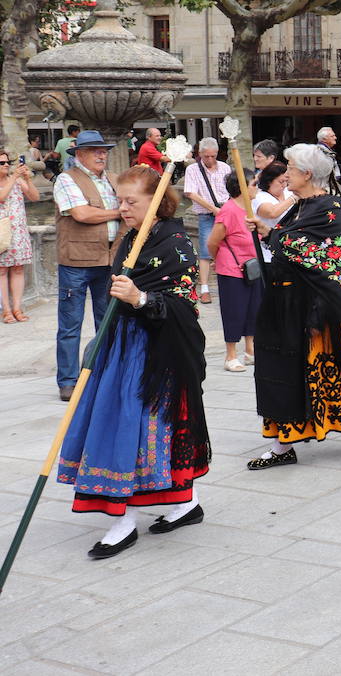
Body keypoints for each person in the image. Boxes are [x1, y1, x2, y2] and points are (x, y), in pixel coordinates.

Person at [57, 165, 210, 559]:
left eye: (131, 201)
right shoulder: (131, 237)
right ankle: (178, 505)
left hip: (156, 351)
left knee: (141, 428)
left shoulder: (176, 243)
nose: (122, 208)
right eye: (120, 200)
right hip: (121, 344)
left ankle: (133, 517)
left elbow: (184, 305)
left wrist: (141, 298)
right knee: (120, 424)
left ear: (156, 202)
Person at [249, 143, 341, 469]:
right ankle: (283, 444)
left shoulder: (330, 208)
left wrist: (273, 236)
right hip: (286, 303)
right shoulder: (299, 205)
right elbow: (288, 240)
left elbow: (314, 253)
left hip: (319, 306)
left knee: (339, 370)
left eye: (290, 169)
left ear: (307, 174)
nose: (285, 175)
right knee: (283, 371)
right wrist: (269, 233)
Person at [53, 131, 121, 401]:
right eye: (95, 150)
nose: (102, 155)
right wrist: (120, 212)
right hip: (76, 262)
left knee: (108, 322)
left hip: (109, 259)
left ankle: (100, 373)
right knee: (70, 325)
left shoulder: (114, 179)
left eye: (103, 150)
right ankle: (68, 381)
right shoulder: (66, 178)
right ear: (79, 155)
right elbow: (82, 214)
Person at [207, 173, 263, 372]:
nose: (257, 187)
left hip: (252, 266)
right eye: (253, 184)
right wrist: (218, 259)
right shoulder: (228, 210)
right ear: (242, 187)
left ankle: (250, 349)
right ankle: (230, 355)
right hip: (232, 268)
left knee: (253, 308)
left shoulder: (250, 207)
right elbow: (212, 242)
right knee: (234, 310)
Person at [182, 137, 231, 305]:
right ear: (200, 154)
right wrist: (213, 208)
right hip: (206, 214)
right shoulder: (193, 169)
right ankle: (204, 288)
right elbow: (190, 193)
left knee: (228, 248)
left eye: (213, 156)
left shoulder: (224, 167)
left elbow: (231, 190)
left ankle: (226, 284)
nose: (209, 160)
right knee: (205, 251)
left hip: (225, 211)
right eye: (206, 156)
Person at [0, 151, 40, 322]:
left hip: (19, 232)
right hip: (2, 233)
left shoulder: (16, 180)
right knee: (1, 270)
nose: (6, 165)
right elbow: (1, 197)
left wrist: (27, 179)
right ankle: (6, 310)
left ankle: (17, 308)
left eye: (7, 162)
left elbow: (35, 197)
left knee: (18, 268)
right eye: (1, 163)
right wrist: (14, 176)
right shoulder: (13, 179)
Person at [250, 161, 291, 259]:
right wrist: (294, 198)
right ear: (269, 181)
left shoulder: (288, 192)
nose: (284, 185)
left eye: (286, 181)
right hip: (269, 247)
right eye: (281, 182)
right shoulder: (259, 197)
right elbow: (271, 213)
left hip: (291, 242)